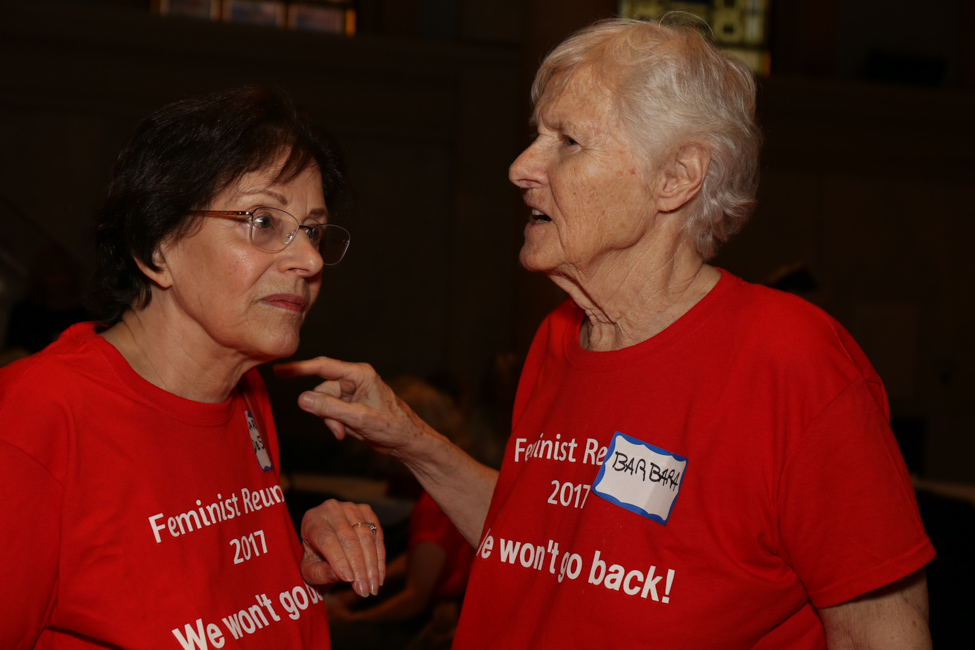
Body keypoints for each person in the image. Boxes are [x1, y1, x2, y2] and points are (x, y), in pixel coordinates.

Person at [280, 17, 935, 650]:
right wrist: (410, 438)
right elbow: (540, 547)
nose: (519, 167)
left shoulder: (792, 363)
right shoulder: (559, 337)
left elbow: (881, 637)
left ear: (675, 178)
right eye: (536, 136)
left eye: (567, 141)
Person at [0, 87, 385, 649]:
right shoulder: (38, 417)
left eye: (313, 230)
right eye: (262, 221)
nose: (307, 259)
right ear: (155, 245)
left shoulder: (243, 391)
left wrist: (299, 556)